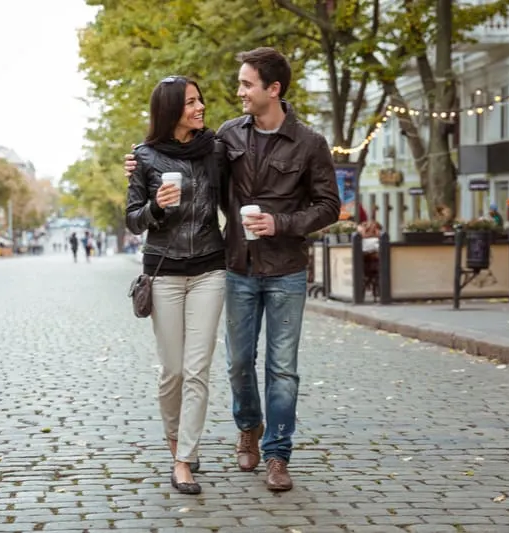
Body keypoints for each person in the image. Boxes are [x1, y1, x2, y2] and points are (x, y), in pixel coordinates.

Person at [124, 48, 340, 491]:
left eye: (245, 84)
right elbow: (173, 161)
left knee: (282, 367)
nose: (237, 91)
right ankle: (248, 428)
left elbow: (329, 206)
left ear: (272, 89)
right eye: (240, 83)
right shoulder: (227, 136)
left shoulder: (309, 143)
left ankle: (277, 455)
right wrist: (140, 165)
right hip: (235, 265)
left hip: (280, 268)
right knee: (237, 364)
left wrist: (281, 223)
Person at [126, 75, 227, 496]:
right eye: (190, 102)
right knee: (173, 371)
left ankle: (184, 459)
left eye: (200, 100)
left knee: (198, 369)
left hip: (209, 268)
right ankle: (174, 439)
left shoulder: (216, 150)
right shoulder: (144, 157)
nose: (200, 107)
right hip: (164, 271)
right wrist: (154, 208)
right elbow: (132, 220)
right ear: (170, 110)